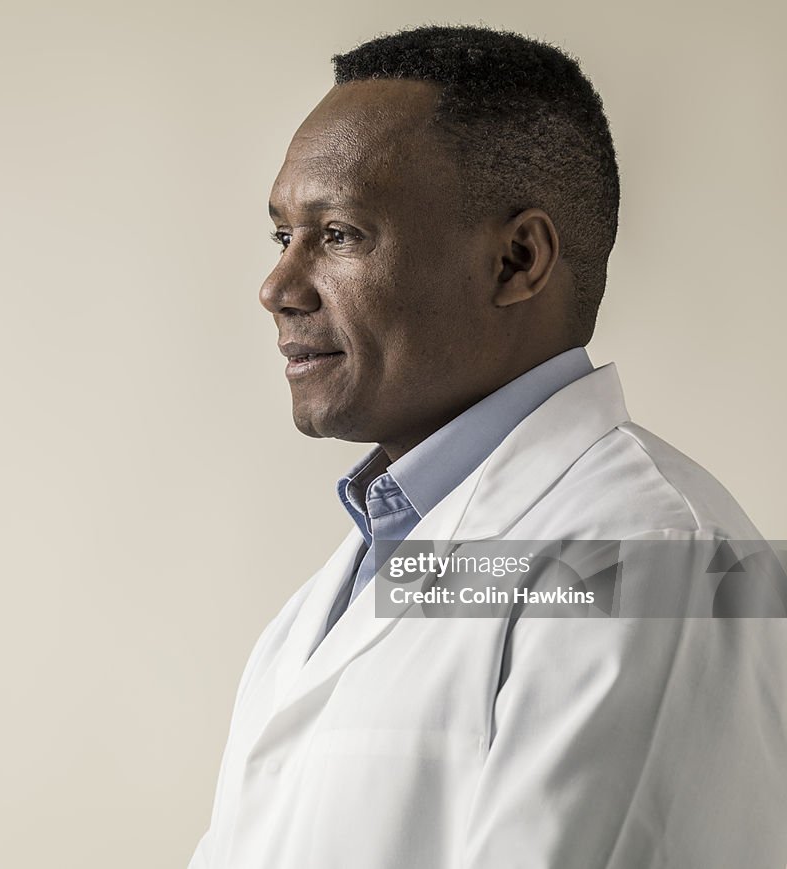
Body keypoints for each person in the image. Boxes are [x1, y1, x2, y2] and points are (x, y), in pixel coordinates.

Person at [189, 25, 787, 868]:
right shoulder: (345, 585)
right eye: (282, 234)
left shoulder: (651, 559)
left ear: (517, 259)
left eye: (340, 235)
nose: (278, 288)